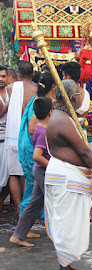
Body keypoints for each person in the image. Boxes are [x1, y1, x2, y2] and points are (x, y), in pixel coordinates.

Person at [45, 79, 92, 270]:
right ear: (74, 98)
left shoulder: (63, 116)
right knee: (67, 223)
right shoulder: (62, 119)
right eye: (80, 95)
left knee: (71, 222)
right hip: (65, 177)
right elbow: (84, 151)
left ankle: (68, 265)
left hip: (67, 176)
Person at [10, 97, 52, 247]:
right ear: (50, 112)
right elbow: (37, 155)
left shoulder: (40, 129)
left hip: (39, 170)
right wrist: (51, 166)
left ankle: (18, 235)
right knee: (53, 202)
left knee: (34, 204)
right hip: (42, 170)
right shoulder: (42, 132)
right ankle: (59, 236)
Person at [18, 73, 55, 222]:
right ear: (53, 86)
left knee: (35, 191)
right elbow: (33, 128)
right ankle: (24, 221)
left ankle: (26, 222)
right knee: (32, 188)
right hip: (32, 149)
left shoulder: (39, 100)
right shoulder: (41, 103)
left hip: (32, 148)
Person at [5, 61, 37, 216]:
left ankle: (19, 210)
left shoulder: (11, 88)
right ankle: (28, 212)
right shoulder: (37, 90)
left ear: (18, 74)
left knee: (14, 174)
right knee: (28, 175)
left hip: (12, 136)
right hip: (29, 134)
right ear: (33, 74)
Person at [0, 66, 10, 218]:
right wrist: (8, 106)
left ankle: (1, 202)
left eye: (3, 76)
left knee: (11, 176)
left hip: (10, 139)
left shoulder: (11, 92)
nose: (1, 79)